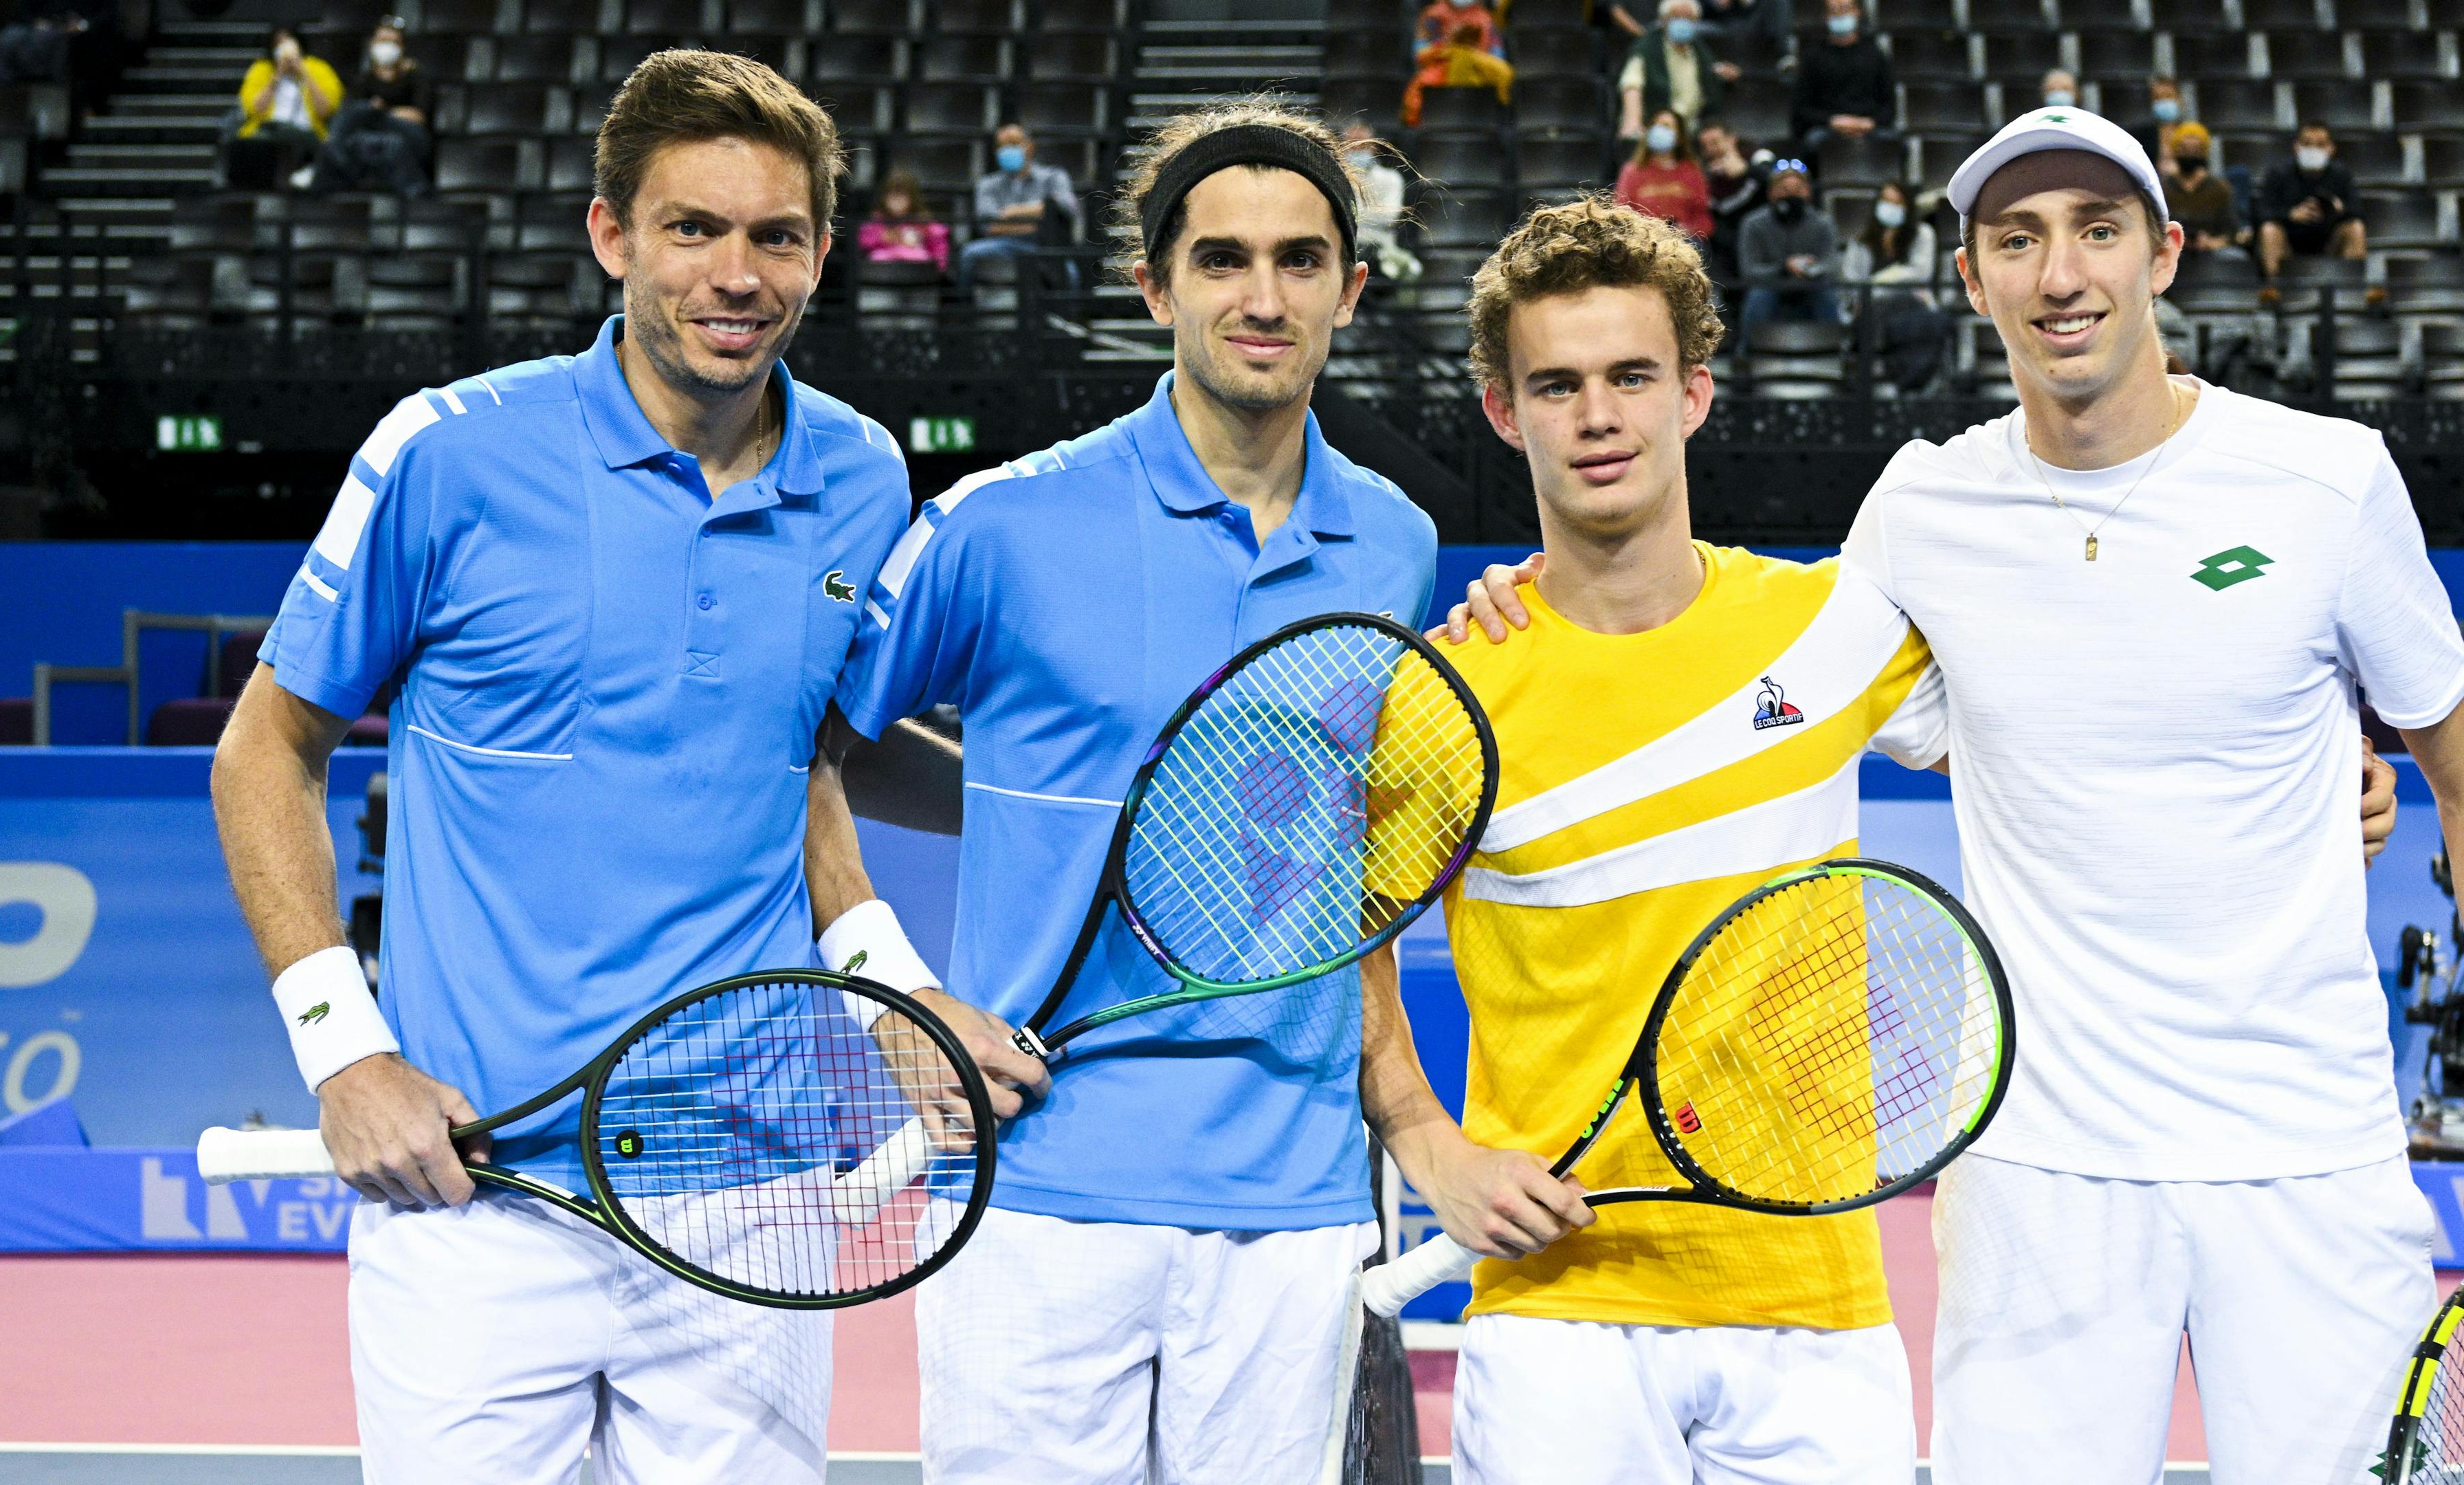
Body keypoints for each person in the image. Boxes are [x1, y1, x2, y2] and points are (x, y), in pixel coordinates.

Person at [1454, 103, 2464, 1485]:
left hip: (2309, 1157)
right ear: (1971, 279)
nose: (2060, 272)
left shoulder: (2326, 481)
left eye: (2097, 231)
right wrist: (1528, 601)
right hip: (2038, 1178)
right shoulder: (1920, 512)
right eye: (2016, 240)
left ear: (2165, 253)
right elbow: (1760, 666)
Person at [208, 49, 1034, 1485]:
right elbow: (264, 752)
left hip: (750, 1195)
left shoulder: (861, 474)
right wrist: (344, 1052)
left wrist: (909, 971)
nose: (736, 274)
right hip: (479, 1188)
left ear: (824, 256)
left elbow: (809, 761)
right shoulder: (448, 455)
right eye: (692, 229)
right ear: (611, 236)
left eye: (776, 236)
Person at [843, 104, 1452, 1484]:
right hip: (1038, 1197)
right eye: (1223, 259)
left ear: (1352, 290)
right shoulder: (999, 523)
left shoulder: (1397, 544)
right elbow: (815, 744)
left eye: (1302, 261)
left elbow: (1352, 840)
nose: (1262, 295)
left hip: (1291, 1201)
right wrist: (900, 976)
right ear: (1152, 284)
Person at [1366, 197, 1944, 1485]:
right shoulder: (1448, 689)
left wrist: (2325, 779)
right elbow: (1343, 939)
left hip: (1815, 1300)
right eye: (1556, 386)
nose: (1598, 416)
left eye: (1631, 376)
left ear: (1693, 393)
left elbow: (2064, 762)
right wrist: (1426, 1142)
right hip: (1555, 1313)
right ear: (1506, 414)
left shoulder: (1835, 628)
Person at [1843, 179, 1948, 389]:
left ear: (1908, 208)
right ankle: (1886, 377)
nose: (1891, 208)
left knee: (1909, 305)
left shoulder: (1922, 235)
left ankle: (1907, 381)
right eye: (1886, 201)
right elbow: (1852, 282)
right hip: (1872, 310)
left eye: (1897, 203)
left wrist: (1875, 282)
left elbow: (1919, 273)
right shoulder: (1860, 242)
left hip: (1912, 308)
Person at [310, 19, 432, 196]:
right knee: (364, 130)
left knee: (380, 131)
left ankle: (333, 161)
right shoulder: (363, 80)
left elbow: (418, 117)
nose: (387, 47)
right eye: (383, 41)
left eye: (393, 42)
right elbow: (349, 115)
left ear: (402, 47)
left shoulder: (414, 77)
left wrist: (380, 111)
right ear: (372, 45)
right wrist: (370, 111)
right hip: (370, 141)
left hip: (410, 136)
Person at [2255, 120, 2367, 307]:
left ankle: (2351, 294)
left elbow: (2359, 212)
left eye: (2320, 144)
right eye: (2307, 144)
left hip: (2329, 243)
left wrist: (2339, 209)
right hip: (2290, 244)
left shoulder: (2341, 174)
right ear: (2296, 147)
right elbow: (2261, 212)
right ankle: (2275, 290)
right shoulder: (2279, 173)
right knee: (2269, 229)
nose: (2313, 149)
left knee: (2356, 228)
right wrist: (2290, 215)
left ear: (2331, 149)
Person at [959, 122, 1080, 292]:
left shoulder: (1053, 176)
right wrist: (1039, 220)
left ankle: (1068, 317)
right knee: (969, 253)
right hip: (1003, 244)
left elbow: (1068, 207)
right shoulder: (987, 184)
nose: (1007, 150)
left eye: (1014, 143)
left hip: (1045, 246)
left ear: (1030, 147)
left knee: (1070, 272)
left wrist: (1012, 212)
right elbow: (989, 226)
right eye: (1002, 145)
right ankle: (964, 311)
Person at [230, 25, 342, 190]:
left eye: (288, 43)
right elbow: (255, 109)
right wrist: (277, 76)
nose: (285, 50)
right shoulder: (262, 69)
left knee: (285, 137)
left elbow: (325, 111)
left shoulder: (319, 68)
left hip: (307, 133)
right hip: (266, 132)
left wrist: (304, 74)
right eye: (279, 44)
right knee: (248, 144)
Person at [1617, 0, 1740, 141]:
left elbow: (1712, 75)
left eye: (1688, 18)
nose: (1683, 22)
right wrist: (1632, 121)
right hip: (1657, 127)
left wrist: (1726, 74)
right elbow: (1632, 84)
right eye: (1676, 17)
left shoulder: (1700, 50)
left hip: (1692, 129)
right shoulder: (1647, 47)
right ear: (1663, 21)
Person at [1737, 157, 1840, 324]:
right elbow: (1749, 271)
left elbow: (1832, 265)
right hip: (1772, 285)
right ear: (1771, 193)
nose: (1791, 195)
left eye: (1798, 190)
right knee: (1759, 294)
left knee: (1826, 291)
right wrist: (1784, 267)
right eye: (1784, 190)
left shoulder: (1823, 223)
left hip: (1810, 285)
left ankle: (1837, 347)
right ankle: (1746, 348)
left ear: (1809, 193)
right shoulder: (1753, 223)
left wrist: (1810, 268)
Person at [1789, 0, 1893, 157]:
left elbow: (1889, 108)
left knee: (1893, 141)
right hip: (1827, 128)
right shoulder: (1813, 58)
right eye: (1834, 10)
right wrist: (1832, 121)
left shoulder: (1876, 56)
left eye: (1845, 9)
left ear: (1857, 13)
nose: (1840, 15)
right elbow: (1801, 110)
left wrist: (1869, 123)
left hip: (1869, 126)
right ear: (1826, 16)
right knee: (1811, 142)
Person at [1403, 0, 1511, 126]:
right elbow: (1420, 52)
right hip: (1441, 71)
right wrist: (1447, 49)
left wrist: (1471, 53)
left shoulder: (1485, 19)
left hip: (1478, 73)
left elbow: (1497, 56)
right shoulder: (1434, 15)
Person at [1615, 109, 1714, 242]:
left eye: (1667, 126)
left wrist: (1689, 230)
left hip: (1683, 241)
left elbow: (1703, 217)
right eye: (1656, 126)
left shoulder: (1691, 171)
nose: (1660, 130)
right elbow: (1621, 211)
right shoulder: (1632, 171)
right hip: (1643, 240)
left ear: (1680, 136)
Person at [1344, 122, 1422, 282]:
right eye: (1352, 145)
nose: (1357, 150)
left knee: (1413, 271)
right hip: (1346, 250)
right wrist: (1369, 211)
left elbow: (1389, 216)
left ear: (1373, 147)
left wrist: (1351, 213)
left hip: (1383, 251)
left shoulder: (1391, 178)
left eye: (1362, 145)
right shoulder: (1337, 179)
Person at [1696, 119, 1772, 278]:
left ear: (1731, 139)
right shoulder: (1701, 171)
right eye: (1706, 146)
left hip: (1760, 227)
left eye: (1715, 142)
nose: (1711, 149)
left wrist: (1747, 171)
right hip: (1722, 238)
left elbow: (1777, 180)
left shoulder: (1758, 156)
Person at [2164, 122, 2242, 259]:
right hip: (2170, 247)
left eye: (2195, 150)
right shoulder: (2163, 188)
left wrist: (2212, 242)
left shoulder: (2220, 188)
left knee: (2235, 257)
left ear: (2204, 152)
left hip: (2211, 248)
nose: (2189, 155)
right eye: (2184, 149)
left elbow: (2231, 230)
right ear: (2175, 151)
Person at [860, 166, 950, 277]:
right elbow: (863, 242)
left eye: (902, 196)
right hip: (884, 274)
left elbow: (939, 247)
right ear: (884, 198)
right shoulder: (877, 220)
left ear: (912, 198)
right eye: (892, 196)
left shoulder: (923, 221)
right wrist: (882, 238)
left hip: (917, 274)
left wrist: (939, 269)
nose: (897, 201)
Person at [2131, 75, 2193, 182]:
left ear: (2179, 100)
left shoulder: (2191, 134)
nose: (2163, 102)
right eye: (2158, 98)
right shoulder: (2141, 136)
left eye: (2168, 97)